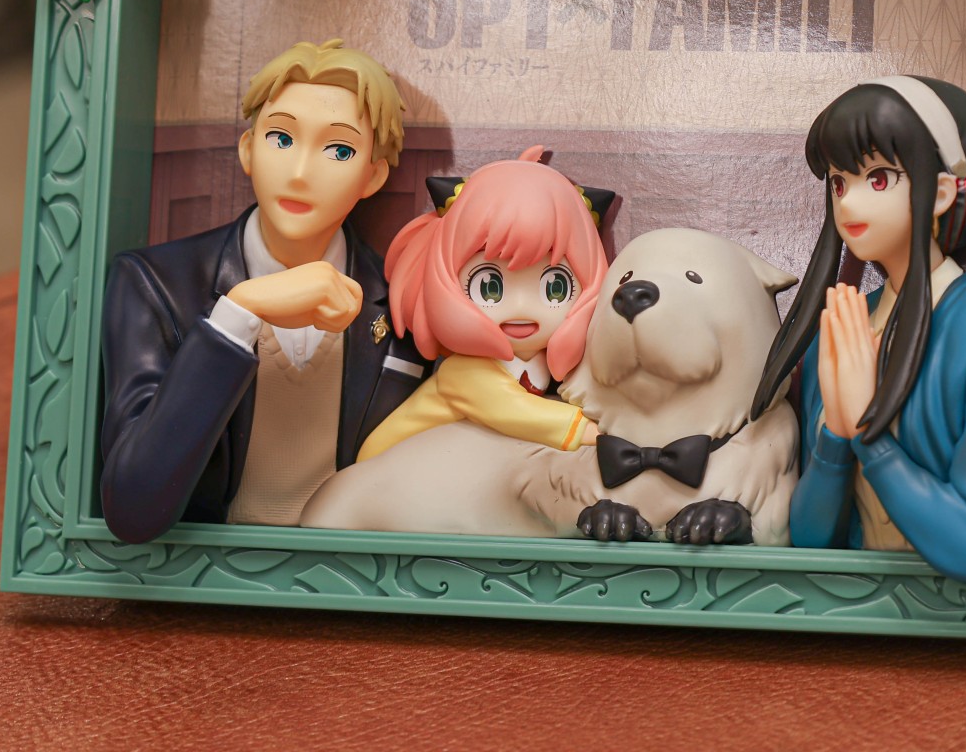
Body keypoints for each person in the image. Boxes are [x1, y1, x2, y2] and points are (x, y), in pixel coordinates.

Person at [99, 40, 429, 542]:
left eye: (339, 150)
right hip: (204, 573)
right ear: (248, 150)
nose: (300, 173)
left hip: (355, 572)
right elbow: (132, 508)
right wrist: (236, 316)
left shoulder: (403, 299)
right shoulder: (154, 283)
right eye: (281, 138)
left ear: (373, 175)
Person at [752, 76, 966, 583]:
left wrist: (869, 435)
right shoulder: (841, 325)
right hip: (848, 610)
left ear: (942, 192)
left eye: (878, 179)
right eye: (839, 183)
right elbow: (813, 540)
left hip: (959, 617)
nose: (848, 204)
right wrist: (835, 438)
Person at [353, 148, 608, 461]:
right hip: (388, 469)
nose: (520, 307)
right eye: (489, 287)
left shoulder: (544, 366)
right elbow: (520, 413)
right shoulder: (465, 372)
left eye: (555, 288)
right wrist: (600, 434)